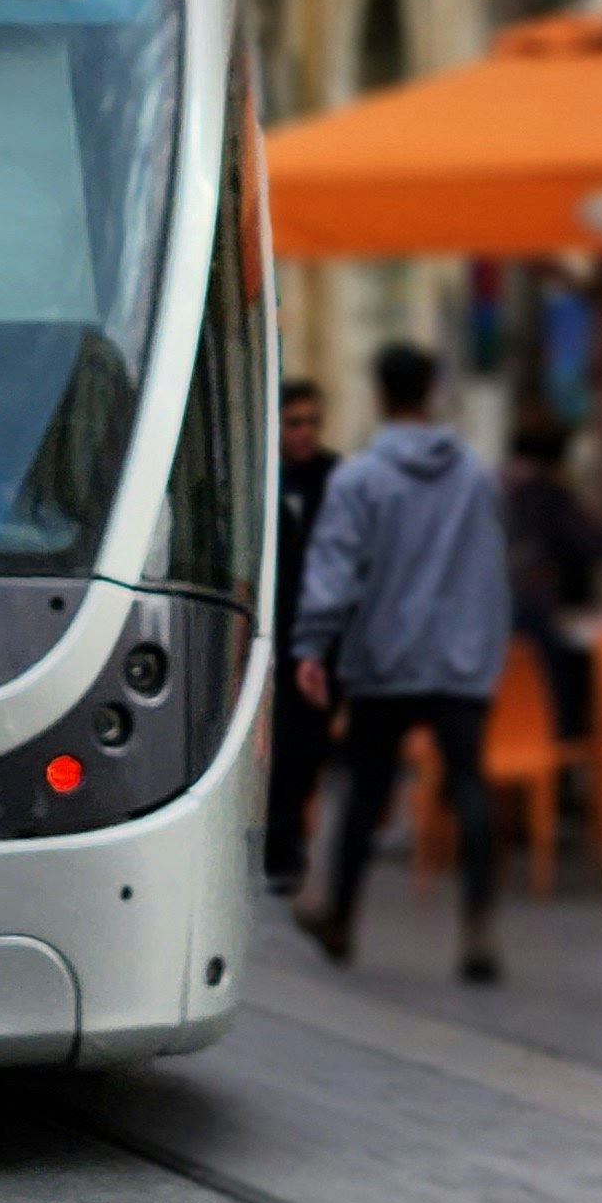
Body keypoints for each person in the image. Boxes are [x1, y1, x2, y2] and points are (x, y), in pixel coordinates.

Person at [293, 341, 515, 984]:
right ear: (434, 393)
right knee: (469, 786)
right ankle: (479, 928)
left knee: (366, 790)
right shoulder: (476, 476)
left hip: (383, 657)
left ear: (379, 395)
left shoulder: (359, 478)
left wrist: (312, 643)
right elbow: (493, 568)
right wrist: (486, 647)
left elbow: (334, 568)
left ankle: (341, 918)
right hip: (460, 660)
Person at [499, 419, 602, 740]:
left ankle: (524, 749)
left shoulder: (503, 491)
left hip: (505, 606)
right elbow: (586, 541)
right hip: (540, 611)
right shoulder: (547, 495)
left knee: (519, 692)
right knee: (555, 695)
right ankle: (558, 753)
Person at [264, 377, 341, 892]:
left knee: (308, 748)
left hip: (323, 637)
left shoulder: (335, 479)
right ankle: (278, 848)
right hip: (272, 635)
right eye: (294, 423)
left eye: (312, 422)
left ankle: (288, 845)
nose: (305, 433)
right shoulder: (260, 478)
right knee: (278, 746)